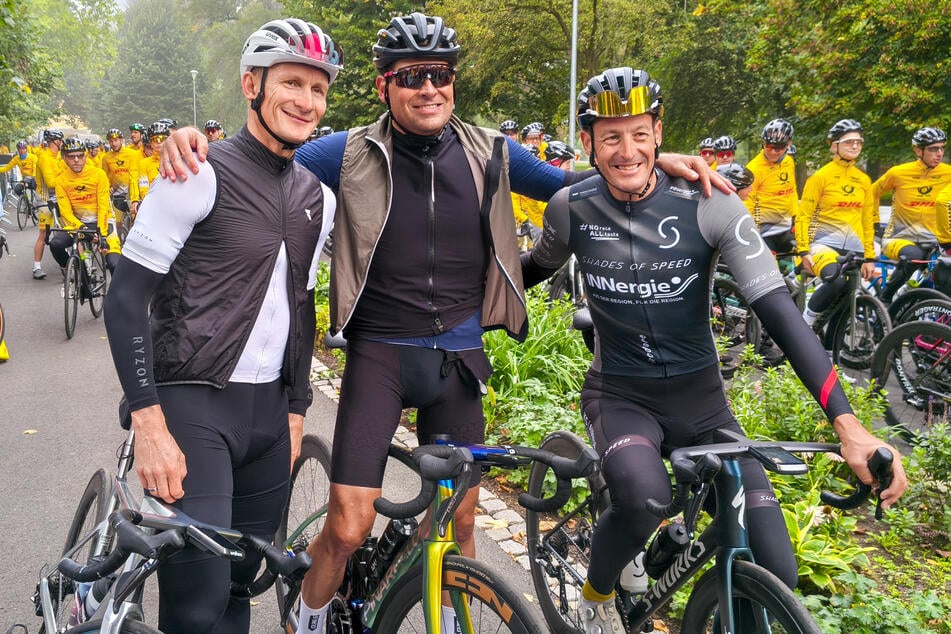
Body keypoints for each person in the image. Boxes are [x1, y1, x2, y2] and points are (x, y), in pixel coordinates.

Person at [157, 14, 728, 634]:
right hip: (380, 355)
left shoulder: (492, 152)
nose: (429, 88)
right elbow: (258, 157)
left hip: (459, 358)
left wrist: (656, 161)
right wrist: (190, 143)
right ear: (385, 87)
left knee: (458, 524)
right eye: (412, 77)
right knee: (348, 525)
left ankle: (450, 618)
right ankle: (310, 616)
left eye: (442, 75)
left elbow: (578, 179)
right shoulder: (347, 152)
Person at [521, 68, 907, 634]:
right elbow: (529, 271)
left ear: (658, 131)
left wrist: (850, 425)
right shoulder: (569, 207)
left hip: (704, 406)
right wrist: (466, 315)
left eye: (638, 133)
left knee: (776, 566)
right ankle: (595, 595)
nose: (626, 150)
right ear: (587, 141)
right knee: (645, 496)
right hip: (621, 395)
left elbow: (781, 315)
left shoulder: (711, 204)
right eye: (610, 136)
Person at [102, 18, 340, 633]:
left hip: (267, 419)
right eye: (291, 82)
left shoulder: (319, 195)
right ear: (250, 85)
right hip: (191, 409)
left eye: (317, 89)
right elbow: (126, 299)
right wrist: (148, 419)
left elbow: (300, 305)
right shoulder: (197, 174)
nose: (305, 101)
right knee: (196, 604)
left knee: (239, 590)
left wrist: (295, 409)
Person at [797, 119, 876, 327]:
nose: (855, 146)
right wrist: (803, 250)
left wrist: (869, 256)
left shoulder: (864, 180)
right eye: (849, 141)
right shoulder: (820, 177)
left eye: (859, 142)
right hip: (823, 244)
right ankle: (805, 324)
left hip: (854, 248)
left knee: (845, 302)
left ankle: (831, 352)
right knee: (836, 280)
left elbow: (867, 221)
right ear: (834, 145)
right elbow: (803, 215)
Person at [873, 126, 951, 301]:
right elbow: (871, 194)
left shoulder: (948, 173)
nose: (939, 153)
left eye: (941, 148)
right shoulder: (898, 173)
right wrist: (874, 224)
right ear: (918, 150)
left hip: (934, 239)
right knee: (915, 256)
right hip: (899, 237)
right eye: (933, 149)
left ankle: (914, 299)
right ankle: (886, 298)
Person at [48, 136, 120, 274]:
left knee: (114, 264)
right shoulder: (61, 180)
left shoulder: (98, 174)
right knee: (55, 245)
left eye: (80, 156)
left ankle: (112, 295)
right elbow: (66, 213)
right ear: (64, 157)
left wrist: (101, 234)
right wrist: (83, 229)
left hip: (103, 221)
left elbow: (103, 206)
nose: (76, 160)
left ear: (85, 156)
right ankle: (76, 270)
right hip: (78, 223)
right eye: (71, 156)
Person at [744, 118, 798, 253]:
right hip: (764, 230)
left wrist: (796, 217)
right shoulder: (753, 168)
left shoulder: (789, 161)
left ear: (788, 145)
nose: (773, 152)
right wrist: (748, 231)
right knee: (770, 271)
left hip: (787, 226)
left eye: (779, 147)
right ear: (763, 143)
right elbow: (747, 202)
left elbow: (791, 191)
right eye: (768, 146)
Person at [34, 129, 66, 280]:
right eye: (60, 140)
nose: (61, 143)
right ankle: (36, 267)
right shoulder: (45, 158)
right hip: (45, 200)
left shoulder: (56, 156)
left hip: (59, 197)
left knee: (67, 229)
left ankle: (66, 264)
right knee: (43, 234)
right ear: (56, 141)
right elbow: (51, 182)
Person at [128, 121, 169, 214]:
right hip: (152, 207)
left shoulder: (175, 160)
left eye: (162, 139)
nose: (158, 142)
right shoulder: (143, 163)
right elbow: (144, 189)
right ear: (150, 142)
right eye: (155, 139)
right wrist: (135, 200)